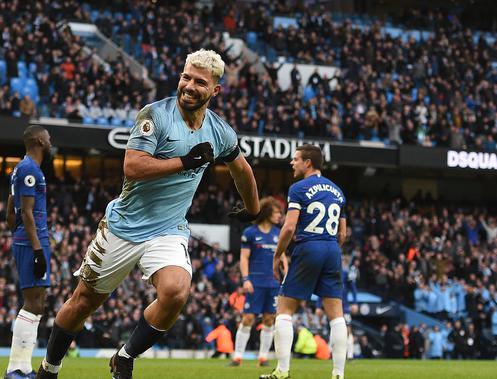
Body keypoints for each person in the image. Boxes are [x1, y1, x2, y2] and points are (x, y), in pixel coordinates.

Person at [36, 49, 261, 379]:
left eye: (200, 82)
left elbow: (241, 169)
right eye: (186, 77)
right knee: (83, 302)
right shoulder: (155, 115)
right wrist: (185, 162)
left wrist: (253, 209)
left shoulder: (219, 131)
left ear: (215, 90)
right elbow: (133, 166)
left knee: (176, 292)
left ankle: (125, 356)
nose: (189, 85)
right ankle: (48, 369)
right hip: (124, 227)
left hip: (169, 229)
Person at [261, 144, 348, 379]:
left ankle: (282, 371)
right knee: (336, 315)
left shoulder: (298, 188)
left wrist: (278, 254)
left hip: (309, 245)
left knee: (285, 310)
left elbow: (289, 227)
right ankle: (338, 374)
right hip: (332, 249)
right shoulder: (338, 191)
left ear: (308, 163)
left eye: (296, 159)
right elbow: (343, 234)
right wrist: (329, 251)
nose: (292, 163)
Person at [4, 125, 53, 379]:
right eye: (48, 138)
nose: (50, 141)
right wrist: (35, 248)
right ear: (39, 140)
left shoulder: (21, 169)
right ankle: (16, 367)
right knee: (33, 302)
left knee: (38, 302)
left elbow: (10, 212)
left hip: (29, 239)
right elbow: (25, 212)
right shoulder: (29, 170)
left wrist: (18, 234)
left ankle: (22, 366)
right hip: (33, 240)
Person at [229, 197, 286, 367]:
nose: (280, 216)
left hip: (273, 283)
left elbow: (283, 258)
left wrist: (286, 276)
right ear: (267, 212)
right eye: (277, 212)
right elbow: (244, 258)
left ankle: (263, 357)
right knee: (248, 318)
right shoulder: (250, 233)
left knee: (269, 320)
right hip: (255, 282)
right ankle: (237, 356)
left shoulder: (279, 233)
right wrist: (246, 279)